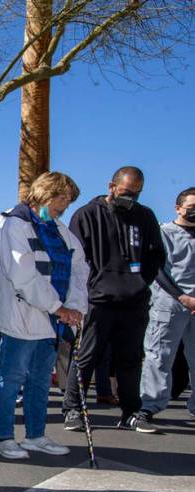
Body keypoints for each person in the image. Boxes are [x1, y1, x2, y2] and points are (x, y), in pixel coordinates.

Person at [0, 172, 88, 459]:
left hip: (52, 319)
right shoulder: (13, 225)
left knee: (41, 379)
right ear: (44, 193)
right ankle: (4, 437)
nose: (64, 207)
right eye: (61, 199)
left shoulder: (59, 229)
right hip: (22, 314)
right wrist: (58, 307)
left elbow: (79, 268)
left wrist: (76, 306)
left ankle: (35, 435)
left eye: (68, 202)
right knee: (12, 376)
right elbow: (23, 274)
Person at [63, 166, 166, 432]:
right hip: (97, 300)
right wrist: (88, 289)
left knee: (130, 358)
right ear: (112, 186)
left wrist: (141, 282)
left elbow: (155, 254)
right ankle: (73, 408)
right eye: (126, 192)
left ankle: (131, 412)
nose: (130, 198)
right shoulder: (87, 214)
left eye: (136, 193)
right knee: (86, 357)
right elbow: (75, 257)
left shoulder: (144, 216)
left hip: (134, 301)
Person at [138, 188, 195, 430]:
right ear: (178, 208)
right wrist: (181, 296)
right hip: (170, 303)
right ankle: (149, 406)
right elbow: (157, 270)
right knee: (159, 356)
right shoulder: (163, 233)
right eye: (191, 206)